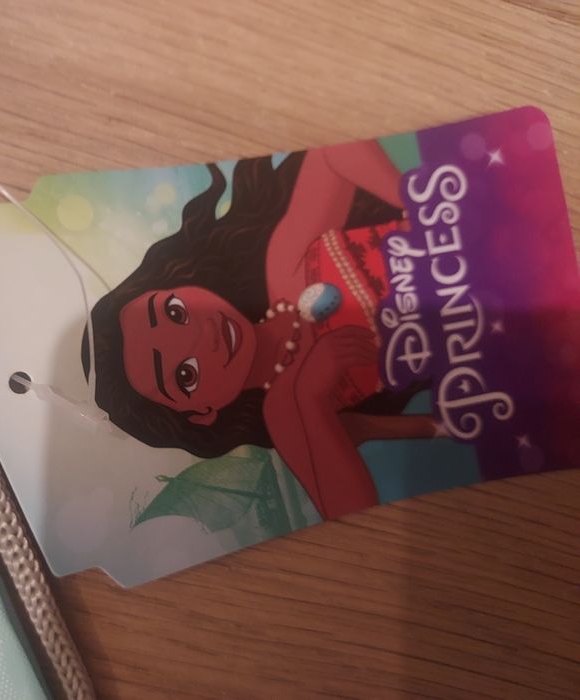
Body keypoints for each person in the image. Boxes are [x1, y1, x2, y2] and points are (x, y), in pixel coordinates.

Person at [84, 143, 437, 519]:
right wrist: (312, 398)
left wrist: (418, 204)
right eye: (186, 374)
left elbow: (334, 153)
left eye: (174, 312)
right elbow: (353, 510)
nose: (205, 337)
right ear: (201, 414)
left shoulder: (285, 265)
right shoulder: (289, 409)